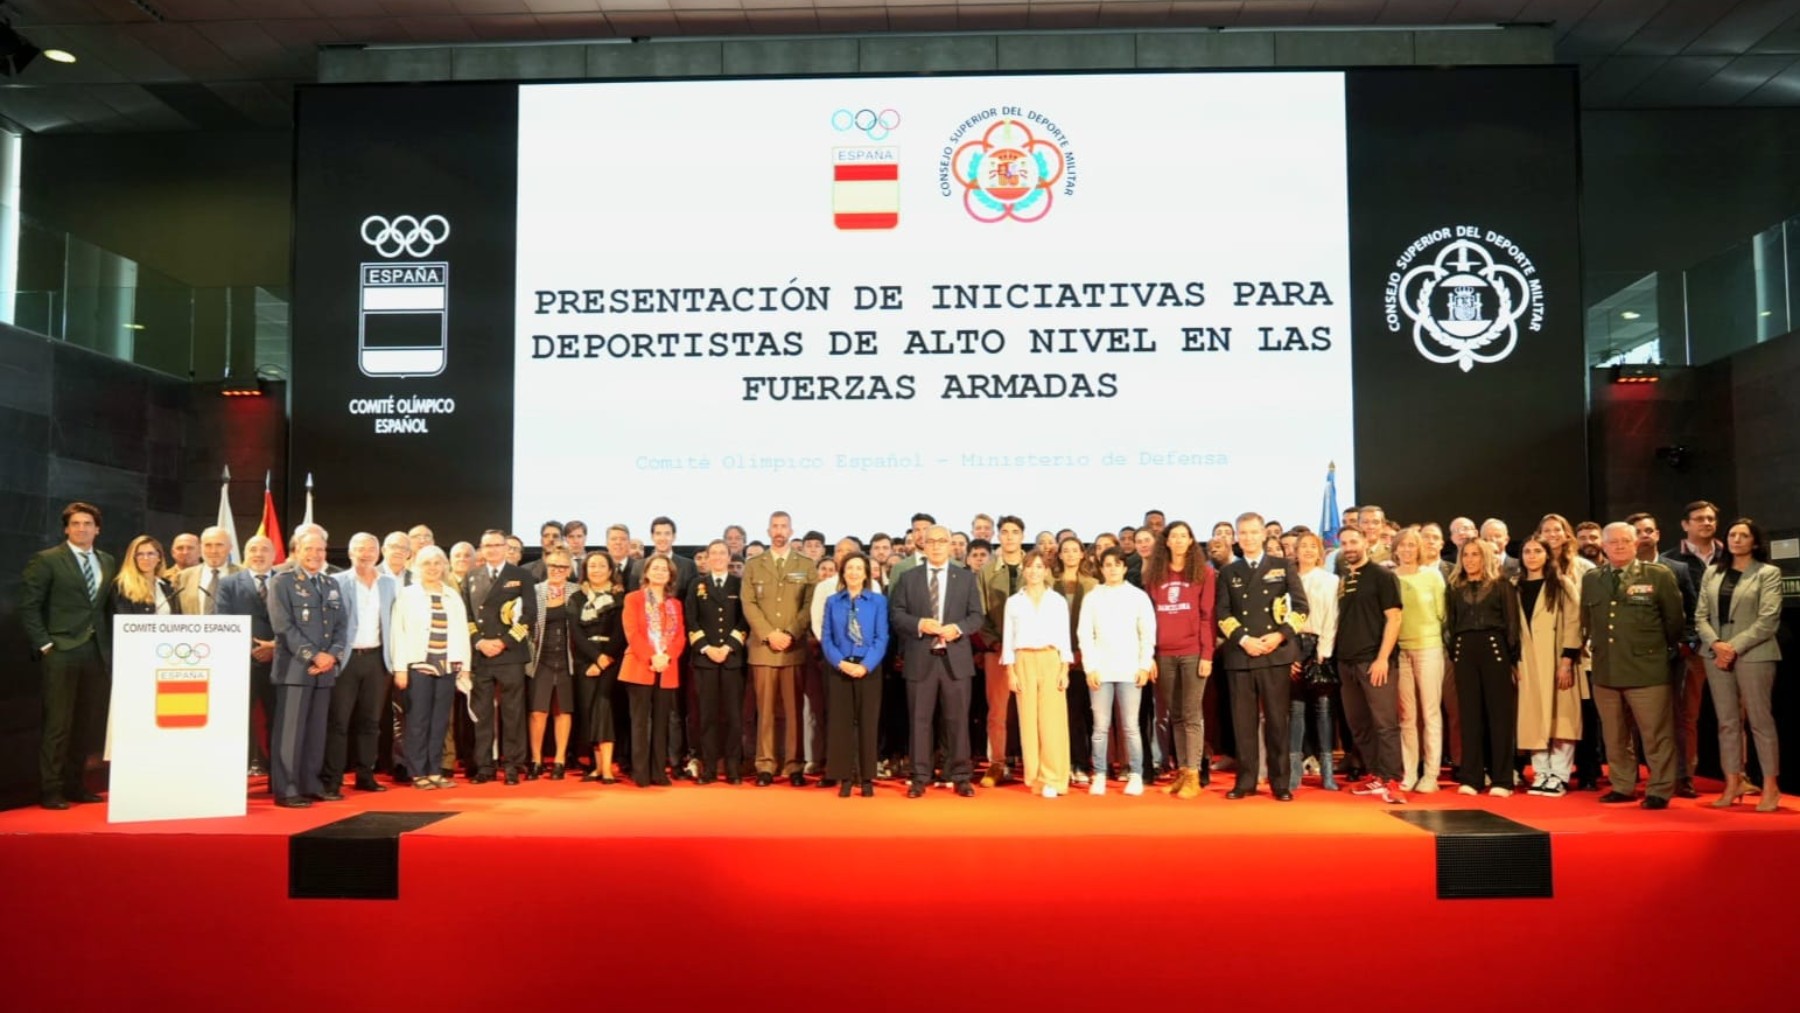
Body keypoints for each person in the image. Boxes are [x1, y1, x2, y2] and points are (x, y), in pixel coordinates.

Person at [21, 503, 117, 809]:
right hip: (60, 651)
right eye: (75, 524)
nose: (82, 529)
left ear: (97, 529)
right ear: (66, 529)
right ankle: (51, 789)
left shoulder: (107, 561)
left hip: (96, 652)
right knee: (58, 725)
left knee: (85, 724)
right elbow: (29, 606)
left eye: (88, 524)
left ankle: (77, 785)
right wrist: (45, 645)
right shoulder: (47, 560)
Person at [1581, 523, 1683, 809]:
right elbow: (1587, 620)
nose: (1619, 546)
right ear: (1603, 545)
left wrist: (1656, 651)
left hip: (1647, 669)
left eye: (1625, 541)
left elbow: (1674, 621)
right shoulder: (1592, 578)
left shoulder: (1657, 575)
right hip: (1606, 668)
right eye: (1613, 542)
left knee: (1656, 734)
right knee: (1615, 735)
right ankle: (1622, 785)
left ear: (1636, 543)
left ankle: (1660, 789)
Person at [1216, 511, 1308, 801]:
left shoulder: (1282, 566)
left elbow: (1301, 608)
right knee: (1243, 723)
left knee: (1277, 722)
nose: (1248, 538)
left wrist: (1280, 635)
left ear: (1264, 535)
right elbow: (1223, 614)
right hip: (1242, 655)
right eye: (1242, 533)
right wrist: (1244, 639)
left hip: (1274, 653)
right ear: (1236, 538)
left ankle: (1280, 783)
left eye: (1253, 532)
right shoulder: (1229, 572)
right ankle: (1245, 782)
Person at [890, 524, 985, 797]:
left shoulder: (964, 578)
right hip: (921, 658)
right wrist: (920, 624)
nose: (936, 545)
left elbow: (977, 616)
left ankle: (961, 776)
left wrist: (958, 629)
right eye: (930, 541)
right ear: (922, 544)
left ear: (950, 545)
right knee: (919, 721)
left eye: (941, 541)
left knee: (957, 721)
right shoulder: (909, 578)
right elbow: (896, 615)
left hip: (955, 659)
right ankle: (920, 776)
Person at [1696, 519, 1783, 811]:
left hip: (1754, 653)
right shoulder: (1712, 572)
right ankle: (1733, 782)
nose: (1736, 539)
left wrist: (1733, 647)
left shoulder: (1768, 573)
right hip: (1715, 654)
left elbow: (1768, 619)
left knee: (1760, 722)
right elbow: (1700, 617)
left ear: (1754, 542)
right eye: (1732, 535)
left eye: (1743, 535)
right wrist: (1717, 645)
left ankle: (1771, 786)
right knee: (1727, 723)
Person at [267, 530, 348, 808]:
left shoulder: (330, 584)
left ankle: (310, 784)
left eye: (321, 550)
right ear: (296, 551)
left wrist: (332, 656)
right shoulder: (282, 582)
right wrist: (314, 656)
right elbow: (283, 627)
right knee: (290, 733)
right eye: (309, 549)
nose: (315, 555)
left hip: (324, 671)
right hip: (295, 669)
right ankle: (287, 789)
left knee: (315, 733)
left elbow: (341, 626)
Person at [742, 511, 816, 787]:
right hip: (764, 648)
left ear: (792, 530)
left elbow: (809, 604)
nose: (779, 531)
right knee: (765, 709)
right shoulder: (754, 565)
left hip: (793, 648)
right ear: (767, 530)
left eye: (784, 526)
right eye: (775, 526)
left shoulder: (806, 564)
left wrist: (789, 633)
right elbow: (748, 603)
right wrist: (769, 634)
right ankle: (765, 765)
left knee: (794, 710)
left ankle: (794, 765)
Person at [1144, 521, 1217, 799]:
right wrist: (1149, 654)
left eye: (1183, 536)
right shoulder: (1154, 575)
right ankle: (1182, 771)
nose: (1177, 540)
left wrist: (1207, 654)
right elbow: (1149, 618)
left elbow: (1207, 616)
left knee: (1191, 714)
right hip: (1164, 653)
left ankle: (1194, 773)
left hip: (1192, 653)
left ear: (1190, 541)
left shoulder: (1204, 573)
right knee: (1174, 714)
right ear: (1166, 542)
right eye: (1173, 536)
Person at [321, 533, 396, 798]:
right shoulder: (337, 582)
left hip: (377, 660)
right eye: (360, 549)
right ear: (350, 553)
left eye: (370, 549)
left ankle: (366, 775)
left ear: (379, 553)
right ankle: (332, 779)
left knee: (371, 721)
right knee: (338, 722)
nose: (365, 554)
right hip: (346, 660)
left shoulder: (389, 584)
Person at [1076, 547, 1156, 796]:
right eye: (1107, 564)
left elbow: (1147, 633)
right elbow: (1084, 634)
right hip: (1101, 670)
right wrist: (1090, 667)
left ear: (1124, 568)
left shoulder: (1138, 597)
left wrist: (1144, 665)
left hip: (1130, 670)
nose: (1112, 569)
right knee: (1100, 726)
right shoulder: (1092, 597)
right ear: (1101, 569)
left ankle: (1135, 774)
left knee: (1131, 726)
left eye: (1117, 564)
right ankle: (1099, 773)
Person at [1446, 535, 1521, 796]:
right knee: (1469, 716)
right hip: (1464, 651)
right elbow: (1451, 625)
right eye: (1465, 555)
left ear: (1485, 557)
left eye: (1475, 554)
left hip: (1495, 650)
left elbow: (1512, 625)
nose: (1469, 560)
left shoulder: (1502, 585)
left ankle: (1502, 779)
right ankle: (1472, 776)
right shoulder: (1455, 586)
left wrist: (1513, 659)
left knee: (1499, 716)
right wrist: (1455, 653)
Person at [1335, 528, 1405, 803]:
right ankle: (1376, 774)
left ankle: (1393, 780)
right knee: (1359, 724)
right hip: (1346, 663)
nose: (1349, 547)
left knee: (1385, 723)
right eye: (1344, 543)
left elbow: (1394, 618)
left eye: (1354, 541)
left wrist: (1382, 659)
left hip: (1374, 661)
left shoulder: (1382, 576)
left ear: (1365, 542)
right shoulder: (1342, 579)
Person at [389, 545, 468, 789]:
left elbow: (462, 632)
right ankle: (417, 771)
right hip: (417, 667)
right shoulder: (407, 595)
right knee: (417, 720)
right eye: (427, 563)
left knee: (440, 721)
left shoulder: (452, 595)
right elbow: (397, 633)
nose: (433, 568)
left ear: (444, 566)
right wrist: (400, 668)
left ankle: (434, 770)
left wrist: (464, 666)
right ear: (417, 567)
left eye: (437, 563)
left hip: (446, 667)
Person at [465, 528, 536, 786]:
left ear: (507, 548)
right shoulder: (472, 577)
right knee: (482, 714)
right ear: (481, 549)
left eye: (497, 545)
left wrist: (504, 642)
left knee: (513, 713)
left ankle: (513, 765)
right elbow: (469, 617)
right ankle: (484, 766)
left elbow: (528, 615)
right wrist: (480, 642)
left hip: (511, 653)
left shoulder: (521, 576)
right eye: (487, 545)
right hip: (482, 655)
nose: (492, 549)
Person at [1514, 537, 1583, 796]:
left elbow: (1575, 622)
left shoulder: (1561, 584)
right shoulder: (1515, 586)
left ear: (1547, 555)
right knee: (1533, 718)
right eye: (1527, 551)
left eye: (1537, 551)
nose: (1532, 556)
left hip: (1556, 659)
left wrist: (1567, 660)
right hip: (1528, 661)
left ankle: (1560, 774)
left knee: (1561, 718)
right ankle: (1541, 772)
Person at [1002, 551, 1073, 798]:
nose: (1034, 571)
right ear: (1024, 570)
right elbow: (1007, 639)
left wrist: (1065, 669)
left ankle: (1055, 777)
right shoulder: (1014, 602)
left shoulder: (1057, 601)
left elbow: (1065, 637)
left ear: (1046, 571)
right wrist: (1011, 672)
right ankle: (1036, 778)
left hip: (1051, 659)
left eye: (1039, 567)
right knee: (1028, 722)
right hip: (1023, 660)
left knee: (1052, 722)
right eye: (1030, 567)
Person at [820, 552, 888, 797]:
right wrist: (840, 662)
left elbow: (882, 638)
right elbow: (826, 638)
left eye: (860, 568)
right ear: (843, 572)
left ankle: (867, 777)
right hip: (840, 669)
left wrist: (866, 665)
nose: (854, 572)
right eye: (850, 568)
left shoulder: (878, 601)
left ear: (866, 574)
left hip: (868, 669)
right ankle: (845, 777)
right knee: (842, 725)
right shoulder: (832, 601)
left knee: (868, 723)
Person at [215, 534, 279, 778]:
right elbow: (223, 622)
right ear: (244, 553)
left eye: (265, 549)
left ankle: (277, 775)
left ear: (274, 556)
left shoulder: (286, 582)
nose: (259, 554)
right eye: (253, 549)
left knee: (278, 721)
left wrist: (274, 646)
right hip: (243, 665)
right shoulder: (229, 584)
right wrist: (253, 650)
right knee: (240, 721)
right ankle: (236, 774)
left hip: (279, 663)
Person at [1390, 528, 1447, 793]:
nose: (1407, 550)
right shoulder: (1390, 578)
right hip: (1400, 651)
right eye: (1402, 545)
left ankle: (1431, 774)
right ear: (1396, 549)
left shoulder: (1432, 576)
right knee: (1407, 716)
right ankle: (1410, 771)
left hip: (1429, 648)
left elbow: (1442, 614)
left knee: (1431, 712)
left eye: (1412, 545)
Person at [688, 539, 749, 784]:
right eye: (713, 553)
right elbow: (691, 620)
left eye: (722, 553)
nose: (717, 557)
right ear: (707, 557)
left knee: (734, 717)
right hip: (706, 660)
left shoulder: (739, 583)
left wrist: (728, 647)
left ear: (729, 556)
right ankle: (710, 768)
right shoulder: (697, 585)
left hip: (732, 659)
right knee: (708, 716)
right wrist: (707, 648)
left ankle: (733, 769)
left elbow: (744, 621)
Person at [621, 554, 686, 787]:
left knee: (662, 722)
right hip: (640, 665)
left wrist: (666, 657)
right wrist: (652, 656)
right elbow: (632, 633)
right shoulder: (633, 599)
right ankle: (641, 773)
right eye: (655, 568)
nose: (660, 572)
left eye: (664, 569)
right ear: (646, 572)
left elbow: (680, 637)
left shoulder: (675, 604)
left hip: (667, 667)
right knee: (640, 722)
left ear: (670, 576)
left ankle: (659, 771)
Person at [976, 515, 1030, 787]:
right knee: (997, 711)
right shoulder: (987, 571)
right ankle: (997, 763)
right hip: (997, 650)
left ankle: (1034, 764)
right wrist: (995, 643)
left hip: (1031, 651)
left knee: (1031, 709)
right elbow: (980, 613)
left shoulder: (1036, 567)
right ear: (998, 536)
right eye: (1005, 532)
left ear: (1022, 536)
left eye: (1015, 532)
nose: (1009, 537)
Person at [1288, 531, 1340, 792]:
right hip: (1292, 645)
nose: (1307, 551)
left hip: (1319, 645)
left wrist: (1324, 650)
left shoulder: (1330, 580)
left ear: (1320, 552)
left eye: (1313, 546)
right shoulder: (1287, 578)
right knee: (1295, 711)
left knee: (1323, 710)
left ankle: (1327, 772)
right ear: (1295, 551)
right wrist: (1289, 654)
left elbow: (1332, 616)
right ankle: (1294, 771)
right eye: (1303, 546)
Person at [572, 552, 627, 783]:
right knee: (588, 712)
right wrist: (594, 659)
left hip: (611, 661)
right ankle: (595, 766)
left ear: (610, 570)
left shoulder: (619, 597)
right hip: (585, 661)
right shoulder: (576, 598)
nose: (596, 570)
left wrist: (604, 659)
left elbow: (620, 633)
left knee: (604, 711)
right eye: (591, 566)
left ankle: (607, 768)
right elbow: (576, 632)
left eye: (601, 566)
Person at [525, 547, 578, 779]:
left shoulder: (577, 592)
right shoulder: (535, 591)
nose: (557, 570)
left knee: (563, 710)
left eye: (562, 566)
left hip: (567, 660)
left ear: (569, 569)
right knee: (538, 711)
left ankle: (559, 760)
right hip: (541, 658)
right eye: (553, 566)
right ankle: (536, 760)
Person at [1052, 536, 1098, 786]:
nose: (1070, 555)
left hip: (1082, 659)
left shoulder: (1093, 584)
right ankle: (1061, 763)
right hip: (1055, 658)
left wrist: (1081, 652)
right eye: (1065, 551)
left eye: (1074, 550)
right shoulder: (1049, 583)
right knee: (1059, 715)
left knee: (1079, 714)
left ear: (1082, 554)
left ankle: (1081, 763)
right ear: (1059, 555)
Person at [174, 525, 241, 615]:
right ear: (200, 548)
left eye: (219, 545)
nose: (213, 551)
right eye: (208, 545)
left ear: (230, 548)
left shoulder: (244, 575)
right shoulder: (184, 576)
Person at [110, 534, 179, 617]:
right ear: (133, 558)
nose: (145, 558)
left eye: (150, 554)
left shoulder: (167, 586)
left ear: (159, 557)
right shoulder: (121, 587)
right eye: (140, 554)